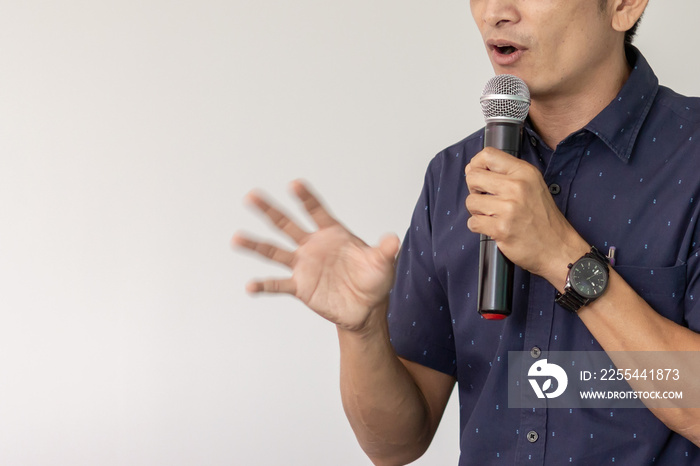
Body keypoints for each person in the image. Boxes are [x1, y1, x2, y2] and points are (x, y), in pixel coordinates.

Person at [233, 0, 700, 464]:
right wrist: (361, 331)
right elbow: (395, 445)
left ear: (622, 6)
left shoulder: (691, 157)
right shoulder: (453, 175)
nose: (494, 12)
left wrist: (564, 257)